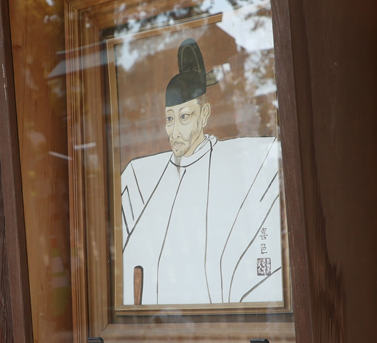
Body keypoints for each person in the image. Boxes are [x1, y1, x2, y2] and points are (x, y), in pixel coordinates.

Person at [120, 38, 284, 306]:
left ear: (204, 114)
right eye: (170, 119)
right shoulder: (142, 178)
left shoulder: (236, 162)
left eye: (184, 117)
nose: (174, 131)